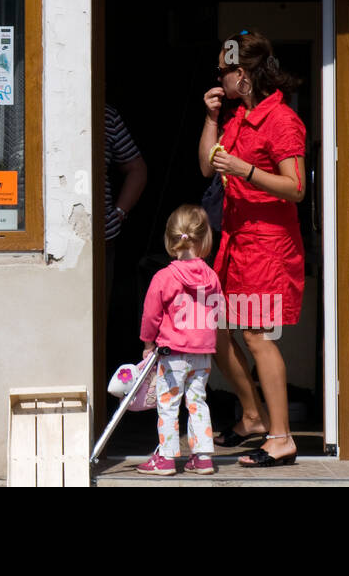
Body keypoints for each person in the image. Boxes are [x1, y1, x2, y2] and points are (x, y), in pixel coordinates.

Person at [198, 30, 306, 467]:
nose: (218, 79)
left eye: (223, 72)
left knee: (258, 336)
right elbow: (207, 165)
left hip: (266, 243)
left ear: (242, 75)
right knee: (217, 332)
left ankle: (281, 438)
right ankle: (252, 415)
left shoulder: (280, 120)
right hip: (236, 241)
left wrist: (245, 170)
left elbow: (295, 187)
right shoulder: (239, 117)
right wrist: (210, 119)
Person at [135, 204, 222, 476]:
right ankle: (203, 457)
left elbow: (151, 315)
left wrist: (148, 343)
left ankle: (166, 458)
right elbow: (217, 309)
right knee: (198, 401)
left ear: (171, 239)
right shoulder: (212, 277)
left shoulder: (164, 277)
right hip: (203, 353)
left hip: (172, 353)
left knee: (168, 403)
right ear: (205, 239)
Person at [104, 103, 147, 305]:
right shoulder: (27, 107)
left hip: (100, 237)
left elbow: (136, 169)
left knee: (97, 307)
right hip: (32, 234)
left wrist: (119, 212)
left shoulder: (106, 115)